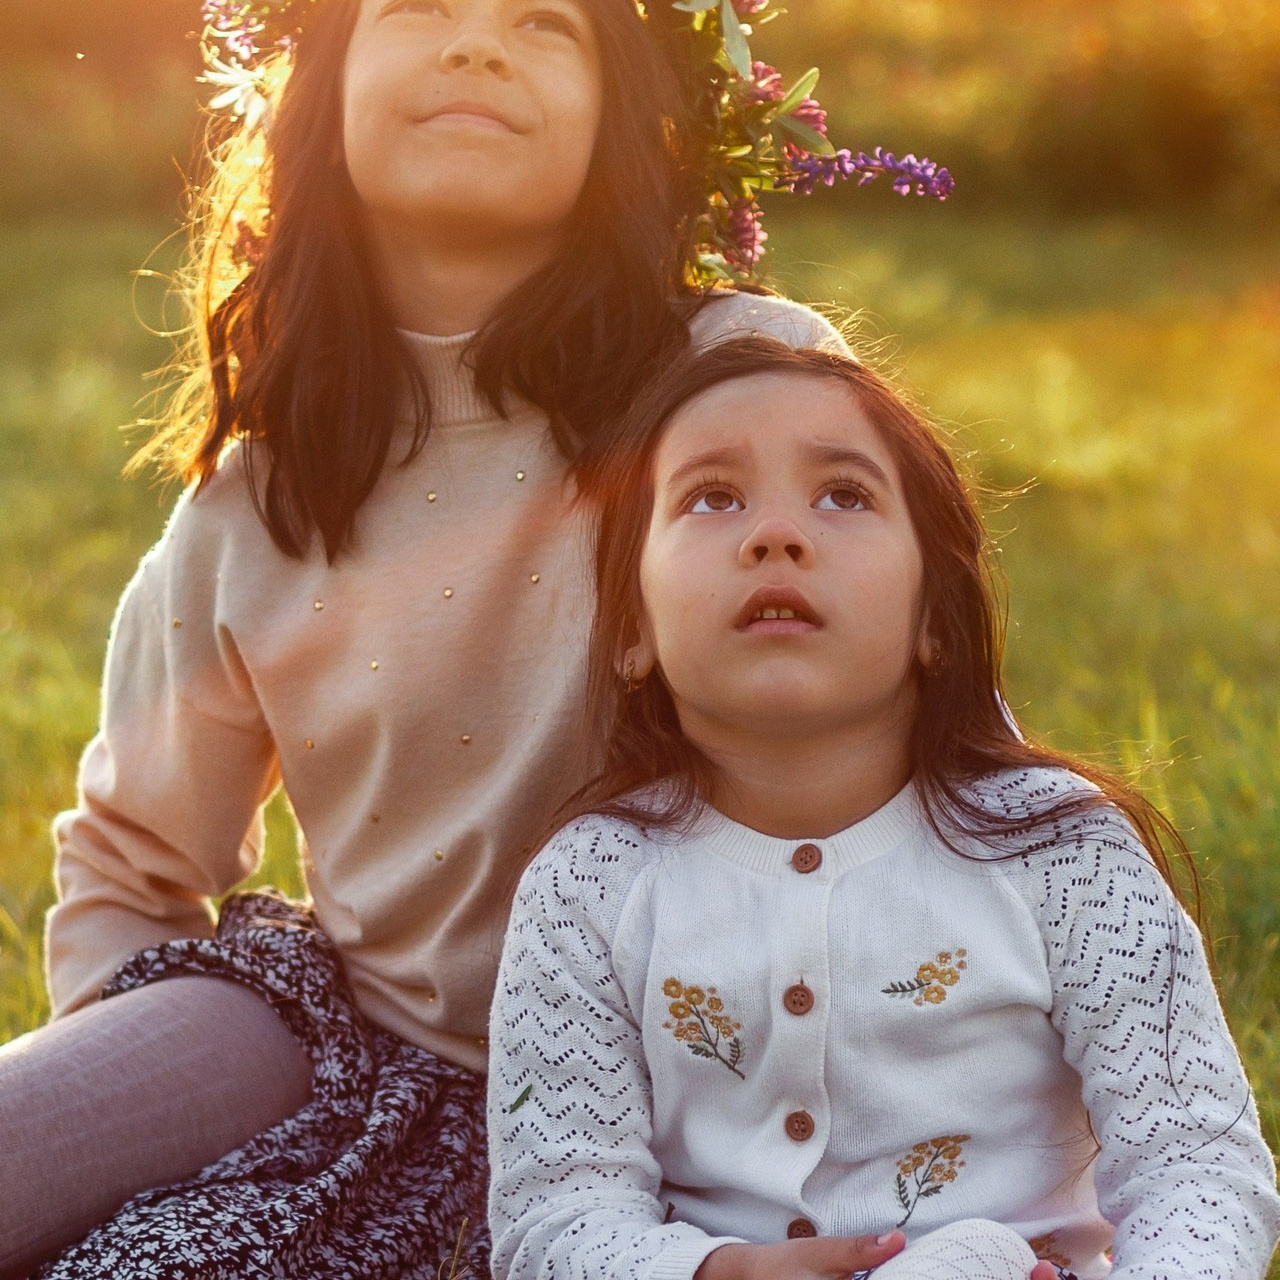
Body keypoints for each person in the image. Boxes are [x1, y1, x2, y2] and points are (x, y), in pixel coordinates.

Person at [0, 2, 938, 1277]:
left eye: (543, 21)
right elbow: (130, 861)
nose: (476, 44)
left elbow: (936, 744)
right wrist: (132, 1145)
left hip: (684, 1086)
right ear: (322, 86)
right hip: (342, 1042)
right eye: (420, 5)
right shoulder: (256, 496)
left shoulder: (744, 381)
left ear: (619, 114)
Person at [485, 336, 1280, 1280]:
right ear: (632, 629)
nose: (775, 534)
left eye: (843, 495)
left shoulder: (1064, 852)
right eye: (713, 497)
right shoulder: (587, 886)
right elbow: (555, 1218)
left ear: (934, 617)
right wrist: (721, 1272)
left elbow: (1198, 1166)